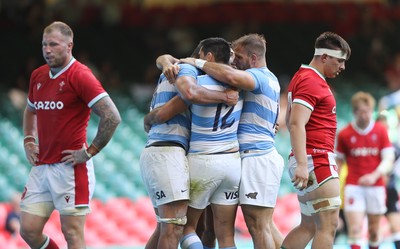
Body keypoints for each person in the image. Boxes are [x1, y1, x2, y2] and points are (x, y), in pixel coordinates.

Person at [21, 21, 121, 249]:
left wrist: (90, 152)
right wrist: (28, 139)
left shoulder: (80, 75)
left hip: (70, 168)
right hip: (42, 164)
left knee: (72, 233)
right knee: (28, 230)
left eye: (54, 45)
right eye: (44, 44)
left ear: (69, 46)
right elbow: (30, 109)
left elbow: (112, 116)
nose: (47, 50)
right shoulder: (38, 76)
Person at [180, 33, 284, 249]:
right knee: (258, 225)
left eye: (239, 57)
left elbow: (232, 77)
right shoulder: (267, 80)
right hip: (239, 160)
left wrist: (198, 62)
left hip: (255, 156)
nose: (234, 62)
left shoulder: (257, 77)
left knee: (258, 225)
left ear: (253, 58)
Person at [141, 38, 239, 249]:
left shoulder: (176, 66)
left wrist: (148, 119)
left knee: (166, 226)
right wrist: (224, 96)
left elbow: (164, 59)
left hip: (165, 149)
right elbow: (188, 94)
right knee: (174, 227)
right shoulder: (188, 71)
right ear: (206, 57)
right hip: (168, 149)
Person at [282, 31, 351, 249]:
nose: (342, 67)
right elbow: (295, 124)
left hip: (310, 159)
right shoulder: (312, 81)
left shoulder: (302, 77)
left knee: (309, 226)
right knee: (328, 226)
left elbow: (289, 118)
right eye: (339, 60)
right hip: (317, 160)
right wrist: (303, 164)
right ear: (324, 57)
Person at [336, 91, 395, 249]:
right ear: (355, 112)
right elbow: (339, 161)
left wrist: (374, 175)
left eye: (368, 111)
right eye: (362, 111)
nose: (366, 115)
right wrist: (335, 182)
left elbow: (388, 159)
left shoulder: (380, 131)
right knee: (355, 230)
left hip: (375, 186)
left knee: (374, 230)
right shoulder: (345, 134)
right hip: (353, 186)